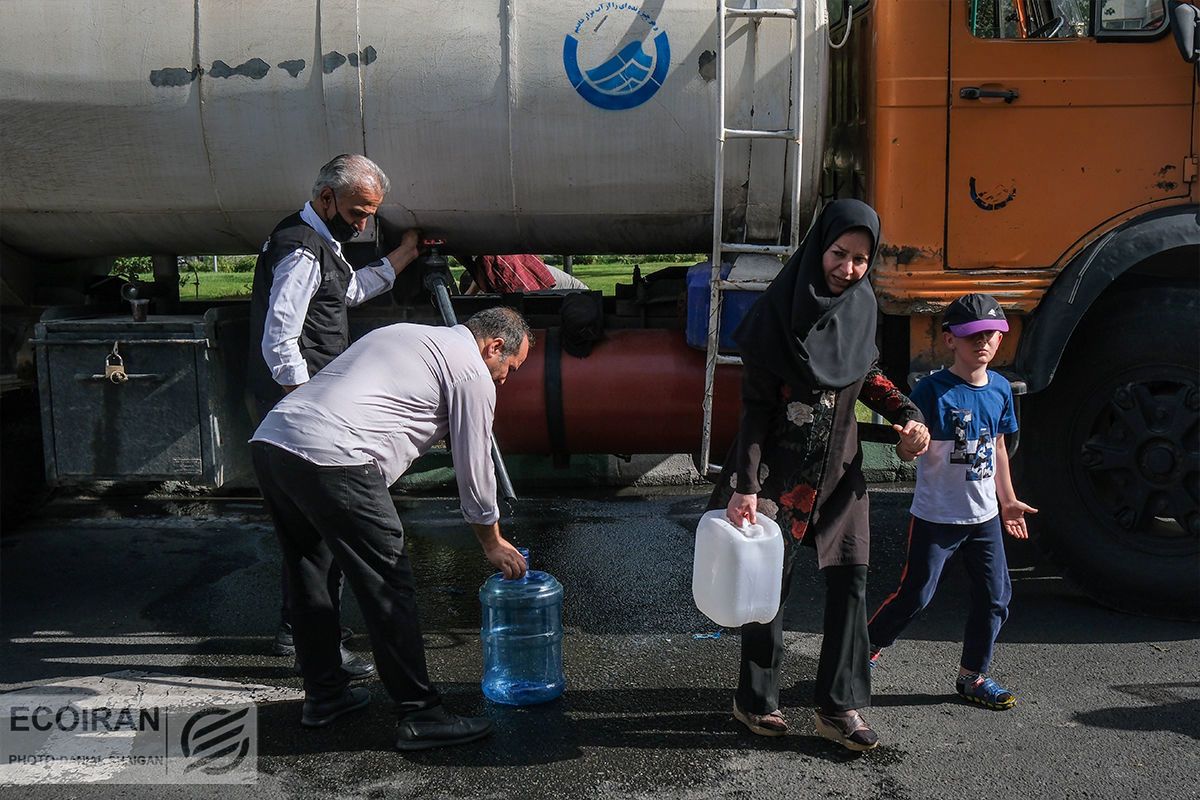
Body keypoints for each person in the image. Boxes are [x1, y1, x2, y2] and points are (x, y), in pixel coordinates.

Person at [250, 307, 531, 750]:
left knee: (311, 572)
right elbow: (475, 465)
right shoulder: (470, 371)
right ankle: (421, 715)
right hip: (337, 455)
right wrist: (491, 540)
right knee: (388, 583)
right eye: (510, 368)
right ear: (494, 347)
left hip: (274, 440)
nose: (505, 380)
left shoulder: (408, 334)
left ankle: (325, 696)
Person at [708, 198, 930, 752]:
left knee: (851, 581)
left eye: (861, 259)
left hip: (841, 472)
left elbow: (867, 374)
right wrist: (746, 486)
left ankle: (838, 707)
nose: (848, 269)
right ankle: (756, 699)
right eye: (839, 254)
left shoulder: (862, 306)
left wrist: (909, 415)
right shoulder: (776, 315)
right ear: (818, 249)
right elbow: (755, 411)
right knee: (767, 587)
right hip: (777, 473)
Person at [246, 154, 420, 674]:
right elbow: (280, 338)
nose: (363, 225)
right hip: (303, 411)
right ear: (326, 198)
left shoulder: (316, 240)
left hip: (303, 409)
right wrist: (306, 406)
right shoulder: (302, 250)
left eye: (370, 214)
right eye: (357, 212)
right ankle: (313, 643)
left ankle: (301, 634)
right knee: (321, 536)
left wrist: (404, 255)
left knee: (311, 536)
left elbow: (347, 291)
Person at [867, 293, 1037, 710]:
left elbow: (998, 448)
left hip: (984, 518)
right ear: (949, 340)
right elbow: (908, 448)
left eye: (991, 334)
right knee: (916, 595)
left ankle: (972, 676)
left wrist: (1008, 501)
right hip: (936, 517)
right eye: (972, 334)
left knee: (996, 597)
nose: (982, 342)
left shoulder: (1000, 389)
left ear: (1001, 340)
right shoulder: (930, 391)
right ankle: (861, 652)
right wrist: (908, 445)